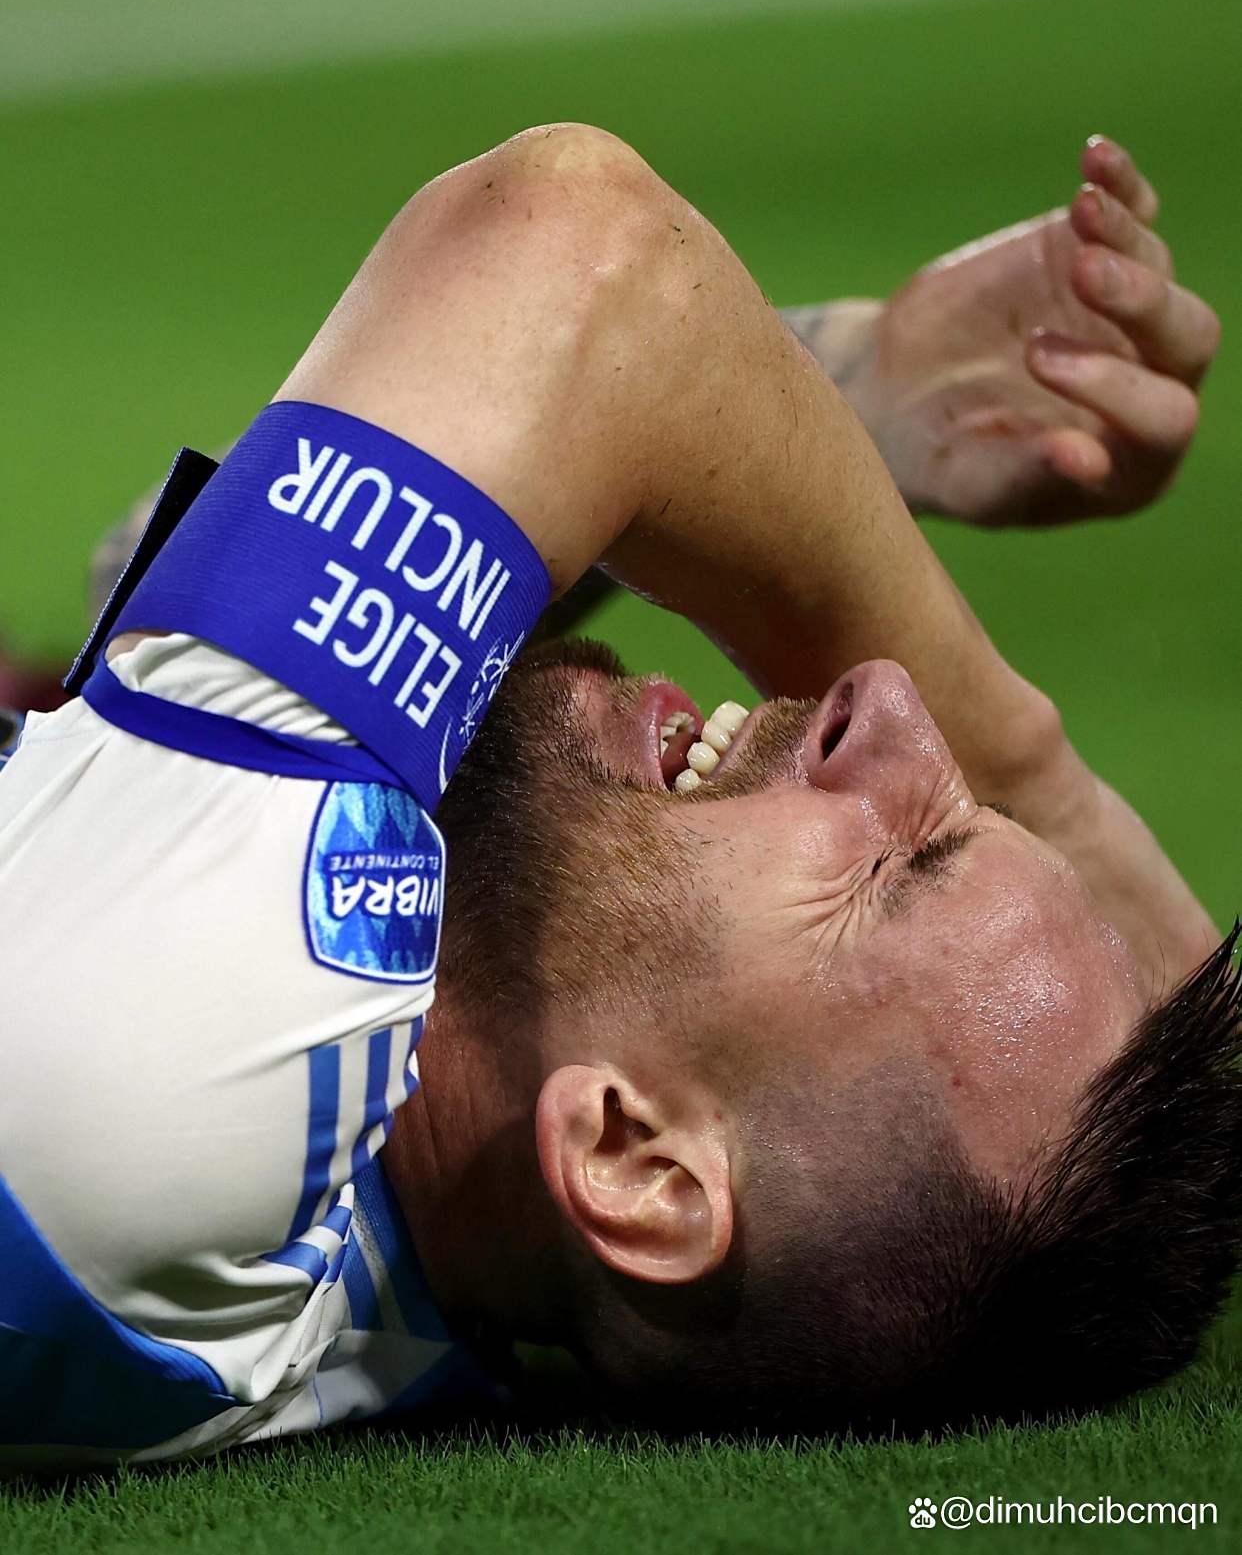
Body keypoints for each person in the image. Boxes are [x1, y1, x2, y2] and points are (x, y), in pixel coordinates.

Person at [0, 125, 1236, 1467]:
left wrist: (1037, 774)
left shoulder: (175, 1075)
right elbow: (161, 620)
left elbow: (575, 246)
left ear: (636, 1164)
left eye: (894, 868)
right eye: (970, 799)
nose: (888, 701)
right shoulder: (314, 1227)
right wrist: (848, 403)